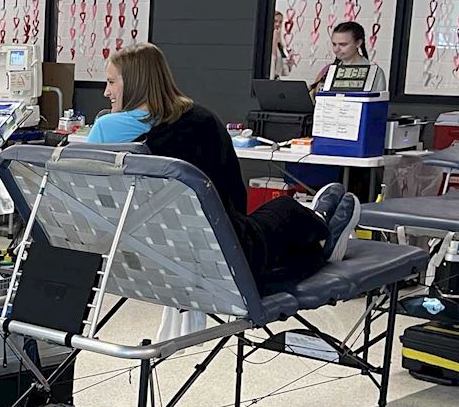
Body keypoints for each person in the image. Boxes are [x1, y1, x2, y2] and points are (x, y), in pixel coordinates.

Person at [86, 43, 362, 286]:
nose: (105, 92)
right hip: (211, 249)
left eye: (111, 83)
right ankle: (323, 229)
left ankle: (318, 219)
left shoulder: (106, 128)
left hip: (143, 246)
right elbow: (232, 195)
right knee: (284, 209)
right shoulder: (201, 119)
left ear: (135, 84)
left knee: (276, 216)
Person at [309, 21, 385, 92]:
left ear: (358, 43)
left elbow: (377, 103)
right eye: (334, 44)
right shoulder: (327, 70)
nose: (336, 49)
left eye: (343, 44)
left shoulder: (374, 72)